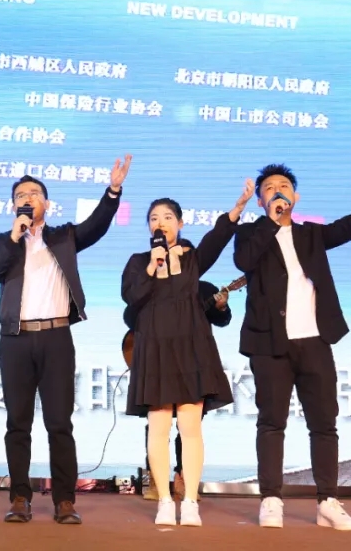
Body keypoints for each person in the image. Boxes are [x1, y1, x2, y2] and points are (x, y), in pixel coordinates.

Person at [233, 146, 351, 531]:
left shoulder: (311, 235)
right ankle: (271, 499)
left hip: (315, 342)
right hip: (269, 344)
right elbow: (244, 262)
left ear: (296, 196)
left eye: (284, 187)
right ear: (260, 200)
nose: (278, 191)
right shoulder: (250, 233)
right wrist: (272, 224)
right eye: (270, 188)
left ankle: (328, 501)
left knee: (324, 424)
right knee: (271, 423)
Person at [0, 156, 133, 527]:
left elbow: (97, 226)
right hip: (15, 340)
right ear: (12, 206)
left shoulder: (63, 237)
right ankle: (19, 497)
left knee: (59, 424)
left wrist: (113, 191)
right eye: (20, 195)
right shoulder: (2, 241)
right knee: (17, 423)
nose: (27, 198)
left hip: (56, 338)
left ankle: (65, 500)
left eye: (34, 193)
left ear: (47, 203)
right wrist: (15, 237)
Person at [122, 182, 254, 527]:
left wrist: (238, 206)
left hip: (191, 346)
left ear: (180, 224)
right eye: (154, 218)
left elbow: (218, 237)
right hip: (155, 348)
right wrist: (153, 266)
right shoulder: (138, 263)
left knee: (190, 426)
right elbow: (131, 298)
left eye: (168, 217)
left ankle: (191, 500)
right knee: (158, 427)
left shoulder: (193, 259)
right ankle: (165, 501)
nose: (160, 222)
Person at [140, 281, 232, 503]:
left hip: (193, 365)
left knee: (189, 426)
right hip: (160, 360)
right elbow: (131, 315)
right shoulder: (152, 284)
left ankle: (183, 478)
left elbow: (222, 320)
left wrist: (221, 308)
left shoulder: (204, 288)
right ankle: (155, 478)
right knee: (157, 423)